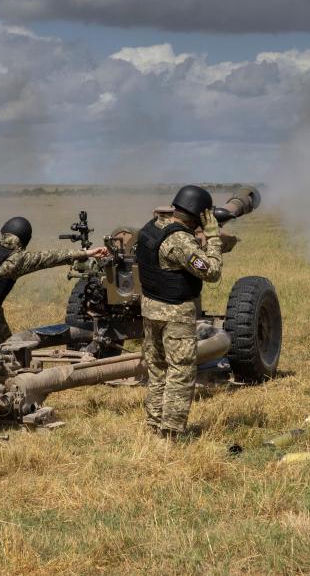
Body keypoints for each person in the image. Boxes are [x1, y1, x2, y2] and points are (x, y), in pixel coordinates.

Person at [0, 217, 107, 395]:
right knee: (11, 347)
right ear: (25, 239)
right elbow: (53, 257)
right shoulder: (18, 258)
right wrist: (88, 253)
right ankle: (16, 387)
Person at [137, 185, 223, 439]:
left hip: (151, 310)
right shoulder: (181, 241)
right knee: (180, 372)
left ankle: (153, 426)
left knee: (157, 371)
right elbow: (211, 272)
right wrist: (214, 239)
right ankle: (171, 434)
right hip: (175, 315)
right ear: (197, 215)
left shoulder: (152, 227)